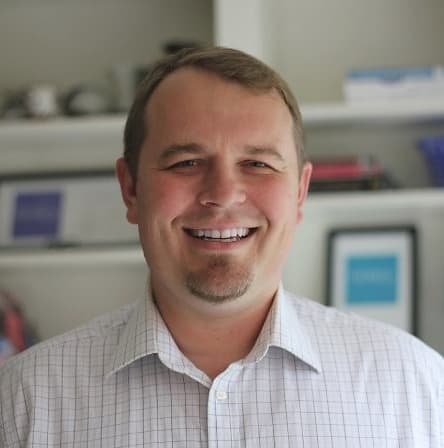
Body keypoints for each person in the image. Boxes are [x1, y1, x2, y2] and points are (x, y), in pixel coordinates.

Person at [0, 47, 443, 447]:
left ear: (300, 192)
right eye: (187, 162)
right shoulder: (25, 402)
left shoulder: (415, 386)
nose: (223, 194)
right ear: (131, 188)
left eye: (257, 163)